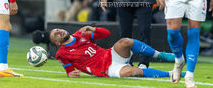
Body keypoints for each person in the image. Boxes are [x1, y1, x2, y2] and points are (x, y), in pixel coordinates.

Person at [50, 26, 180, 78]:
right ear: (57, 43)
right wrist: (71, 74)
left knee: (125, 41)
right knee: (131, 72)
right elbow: (70, 72)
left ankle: (160, 55)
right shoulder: (61, 54)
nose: (59, 31)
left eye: (58, 29)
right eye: (55, 34)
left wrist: (94, 29)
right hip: (106, 69)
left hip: (110, 54)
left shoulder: (81, 34)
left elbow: (107, 34)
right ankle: (172, 74)